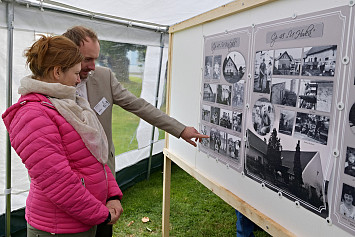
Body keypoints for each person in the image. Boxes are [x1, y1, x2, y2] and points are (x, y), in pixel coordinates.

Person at [63, 26, 209, 236]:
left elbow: (140, 106)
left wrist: (181, 129)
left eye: (96, 58)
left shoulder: (104, 76)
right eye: (87, 59)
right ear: (69, 53)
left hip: (104, 179)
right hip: (70, 183)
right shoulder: (52, 85)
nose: (93, 66)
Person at [2, 35, 123, 236]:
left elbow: (94, 158)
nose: (78, 79)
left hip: (82, 221)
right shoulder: (33, 115)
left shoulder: (67, 104)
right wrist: (102, 215)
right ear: (57, 72)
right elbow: (59, 183)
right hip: (59, 228)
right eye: (75, 73)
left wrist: (112, 194)